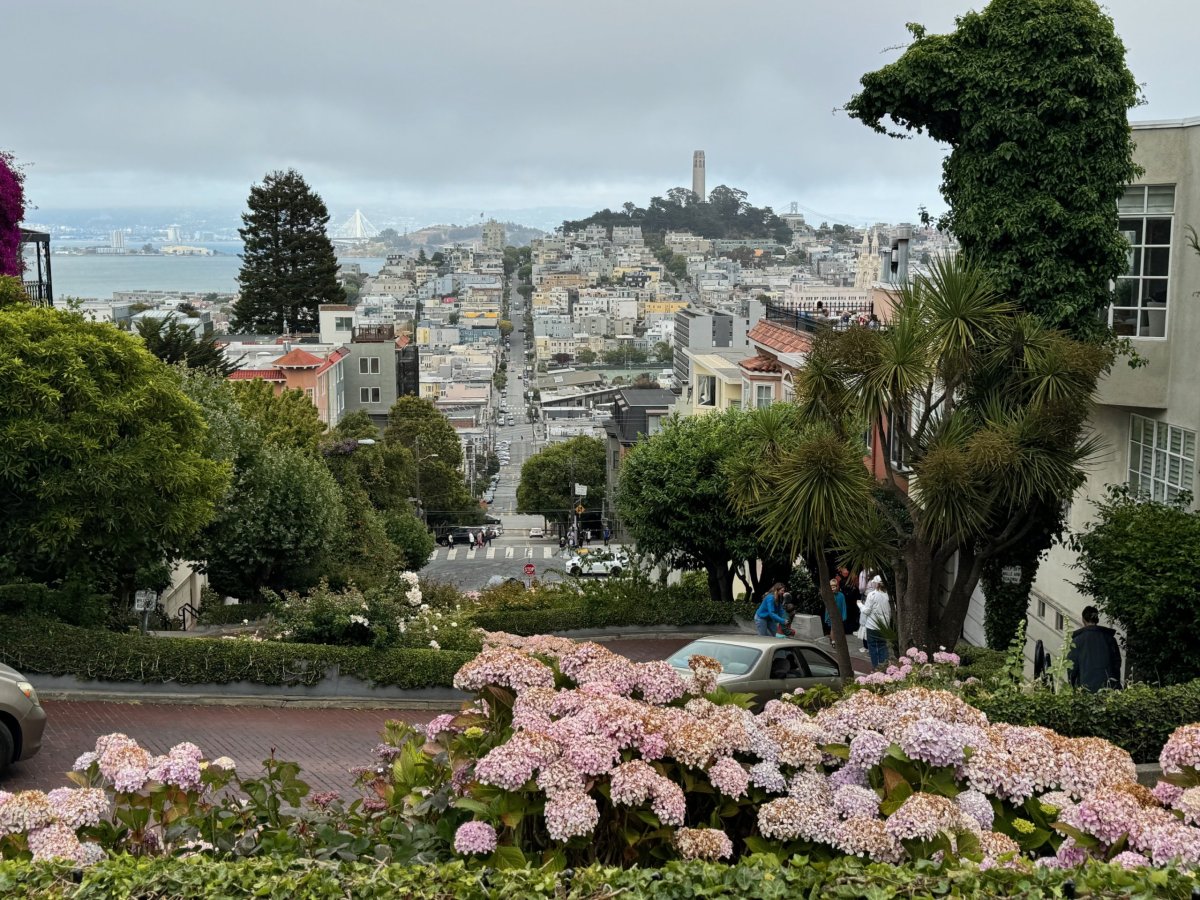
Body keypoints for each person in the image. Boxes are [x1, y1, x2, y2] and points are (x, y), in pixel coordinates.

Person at [1067, 606, 1122, 692]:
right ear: (1097, 620)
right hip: (1108, 688)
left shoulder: (1077, 640)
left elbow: (1071, 667)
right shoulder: (1109, 638)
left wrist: (1072, 686)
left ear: (1083, 620)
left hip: (1086, 689)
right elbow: (1117, 664)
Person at [858, 576, 892, 668]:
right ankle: (884, 667)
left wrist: (860, 605)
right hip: (884, 626)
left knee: (873, 648)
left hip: (872, 626)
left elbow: (867, 611)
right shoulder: (889, 595)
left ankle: (876, 668)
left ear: (876, 584)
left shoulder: (872, 595)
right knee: (883, 646)